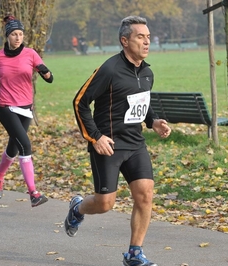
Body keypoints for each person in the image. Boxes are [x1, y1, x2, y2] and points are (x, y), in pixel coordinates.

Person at [65, 15, 171, 266]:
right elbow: (80, 102)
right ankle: (77, 208)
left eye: (148, 37)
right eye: (140, 37)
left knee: (145, 195)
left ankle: (134, 253)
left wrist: (153, 121)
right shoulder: (109, 69)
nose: (147, 42)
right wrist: (96, 137)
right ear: (125, 41)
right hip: (108, 145)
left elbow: (140, 103)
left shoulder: (146, 72)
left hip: (135, 143)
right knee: (104, 204)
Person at [0, 15, 54, 208]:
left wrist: (45, 72)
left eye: (21, 34)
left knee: (14, 148)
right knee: (25, 146)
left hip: (25, 108)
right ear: (7, 36)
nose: (18, 37)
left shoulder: (31, 54)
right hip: (6, 107)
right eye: (14, 34)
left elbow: (49, 77)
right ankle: (33, 193)